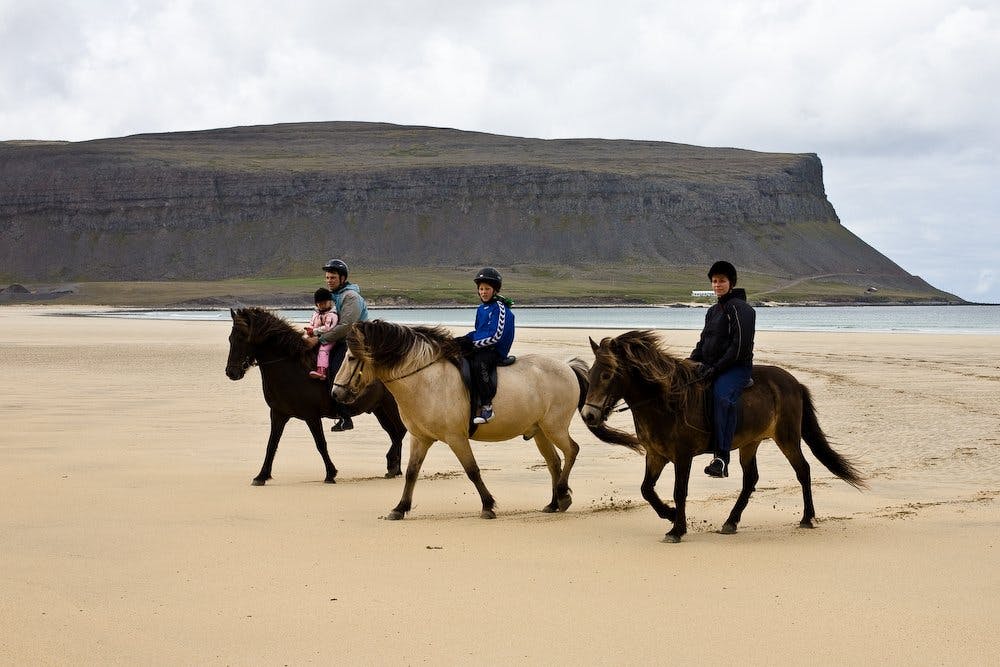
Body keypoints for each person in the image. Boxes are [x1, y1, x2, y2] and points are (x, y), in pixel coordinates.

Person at [689, 260, 756, 478]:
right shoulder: (712, 311)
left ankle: (721, 457)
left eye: (722, 281)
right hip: (712, 366)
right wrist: (689, 362)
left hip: (736, 368)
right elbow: (703, 342)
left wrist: (715, 369)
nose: (717, 285)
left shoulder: (742, 309)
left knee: (721, 397)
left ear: (731, 283)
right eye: (714, 281)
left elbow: (739, 348)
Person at [306, 258, 370, 431]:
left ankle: (344, 416)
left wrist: (318, 339)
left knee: (335, 370)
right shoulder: (331, 297)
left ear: (342, 278)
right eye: (327, 277)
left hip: (352, 341)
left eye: (332, 277)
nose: (329, 280)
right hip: (334, 339)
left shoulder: (351, 297)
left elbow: (345, 327)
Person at [457, 267, 515, 424]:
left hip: (495, 350)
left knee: (480, 363)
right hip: (482, 346)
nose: (483, 292)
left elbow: (495, 335)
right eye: (481, 289)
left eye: (487, 289)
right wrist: (463, 339)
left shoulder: (500, 309)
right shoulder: (481, 309)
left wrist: (472, 343)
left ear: (494, 290)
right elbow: (479, 331)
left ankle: (487, 406)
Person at [304, 288, 338, 380]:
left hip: (329, 337)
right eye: (319, 304)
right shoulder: (316, 313)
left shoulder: (332, 315)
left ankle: (322, 371)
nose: (322, 305)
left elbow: (328, 328)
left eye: (324, 303)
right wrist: (309, 329)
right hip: (316, 334)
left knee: (323, 350)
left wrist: (314, 331)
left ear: (330, 302)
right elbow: (311, 323)